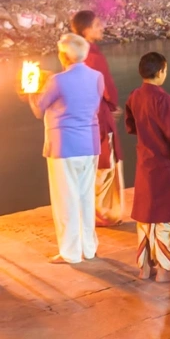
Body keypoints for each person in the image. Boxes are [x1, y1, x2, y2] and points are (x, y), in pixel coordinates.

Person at [25, 33, 103, 264]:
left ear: (63, 55)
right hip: (90, 143)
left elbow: (39, 109)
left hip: (64, 146)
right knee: (86, 197)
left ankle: (70, 253)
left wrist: (30, 90)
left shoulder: (57, 81)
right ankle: (89, 248)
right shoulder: (97, 77)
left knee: (65, 199)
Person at [126, 52, 170, 282]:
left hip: (145, 162)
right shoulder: (164, 99)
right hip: (165, 163)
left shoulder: (134, 96)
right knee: (167, 217)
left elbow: (130, 125)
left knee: (146, 217)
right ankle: (166, 270)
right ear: (161, 71)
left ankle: (145, 267)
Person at [70, 11, 123, 227]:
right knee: (105, 160)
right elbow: (105, 86)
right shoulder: (93, 55)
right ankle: (105, 213)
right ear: (86, 30)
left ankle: (91, 209)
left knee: (91, 161)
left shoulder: (72, 53)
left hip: (81, 114)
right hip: (98, 113)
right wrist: (112, 105)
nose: (102, 27)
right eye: (97, 24)